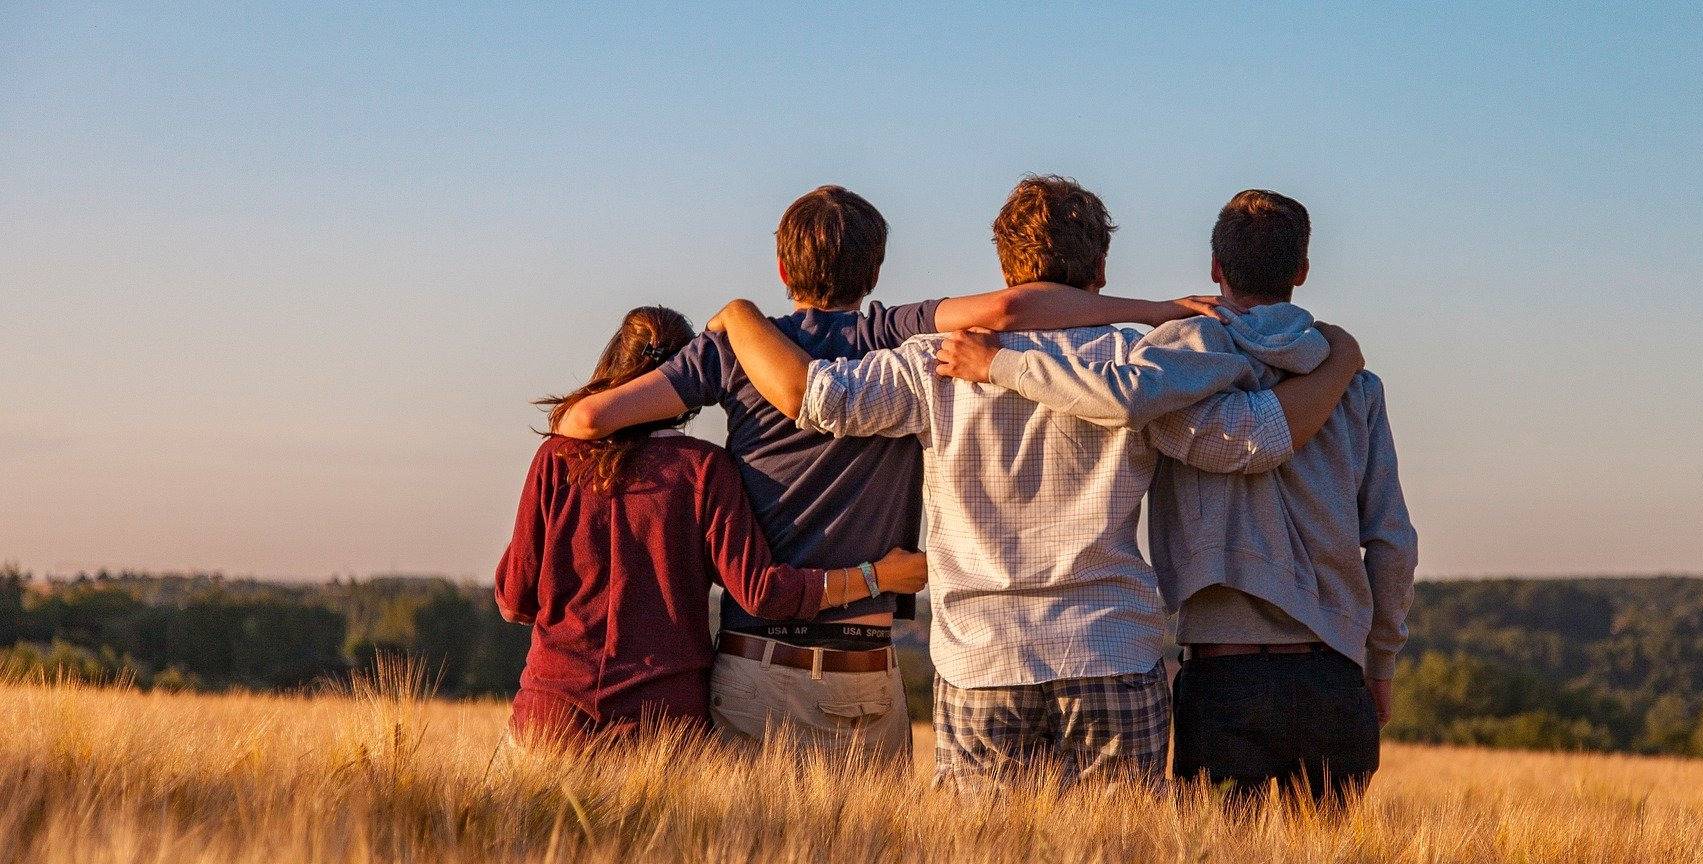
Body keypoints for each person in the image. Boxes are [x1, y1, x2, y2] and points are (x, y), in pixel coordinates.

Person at [710, 176, 1366, 790]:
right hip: (1110, 648)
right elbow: (1251, 440)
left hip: (981, 659)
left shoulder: (932, 363)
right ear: (1100, 271)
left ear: (1005, 267)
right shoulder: (1140, 364)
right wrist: (1339, 364)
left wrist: (741, 317)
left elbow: (815, 398)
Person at [548, 185, 1234, 759]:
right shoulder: (894, 335)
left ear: (782, 269)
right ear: (875, 271)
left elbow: (585, 423)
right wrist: (1157, 310)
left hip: (769, 660)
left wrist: (726, 336)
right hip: (877, 664)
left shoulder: (738, 351)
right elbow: (1009, 310)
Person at [935, 189, 1417, 806]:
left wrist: (1001, 364)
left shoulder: (1172, 365)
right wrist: (1379, 664)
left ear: (1215, 268)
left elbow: (1122, 398)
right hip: (1334, 673)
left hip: (1222, 674)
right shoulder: (1355, 385)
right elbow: (1392, 542)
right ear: (1301, 272)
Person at [494, 305, 927, 747]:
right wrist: (879, 576)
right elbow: (762, 593)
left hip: (550, 717)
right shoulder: (704, 470)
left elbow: (514, 600)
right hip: (662, 727)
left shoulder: (557, 459)